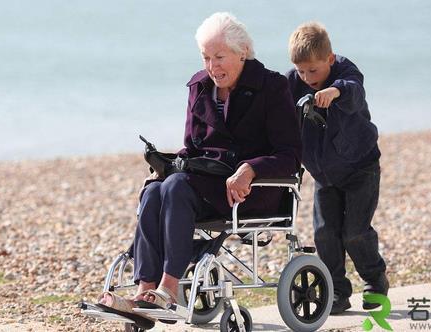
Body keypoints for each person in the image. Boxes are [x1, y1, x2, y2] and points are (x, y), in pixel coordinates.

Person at [97, 12, 301, 316]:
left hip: (252, 191)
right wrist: (164, 167)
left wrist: (250, 169)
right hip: (205, 185)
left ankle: (168, 289)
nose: (212, 66)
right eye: (206, 57)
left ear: (242, 51)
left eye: (219, 56)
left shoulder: (271, 86)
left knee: (176, 186)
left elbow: (290, 155)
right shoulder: (200, 87)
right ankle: (144, 294)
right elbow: (192, 148)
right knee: (155, 190)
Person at [285, 22, 388, 314]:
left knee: (354, 232)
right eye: (301, 71)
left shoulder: (346, 73)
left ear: (329, 59)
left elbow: (354, 90)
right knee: (324, 233)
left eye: (313, 71)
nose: (307, 78)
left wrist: (335, 92)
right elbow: (273, 98)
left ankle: (375, 280)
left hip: (360, 168)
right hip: (324, 174)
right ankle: (337, 292)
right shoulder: (293, 82)